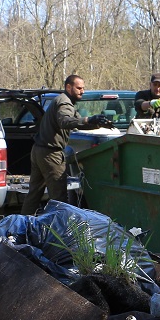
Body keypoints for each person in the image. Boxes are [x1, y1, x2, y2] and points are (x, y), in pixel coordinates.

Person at [23, 74, 103, 215]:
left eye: (83, 88)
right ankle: (59, 232)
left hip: (39, 151)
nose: (82, 91)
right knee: (59, 198)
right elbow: (65, 122)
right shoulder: (64, 102)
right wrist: (87, 119)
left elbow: (76, 122)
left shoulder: (64, 102)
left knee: (34, 194)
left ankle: (21, 228)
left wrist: (96, 123)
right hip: (51, 153)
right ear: (68, 87)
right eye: (78, 88)